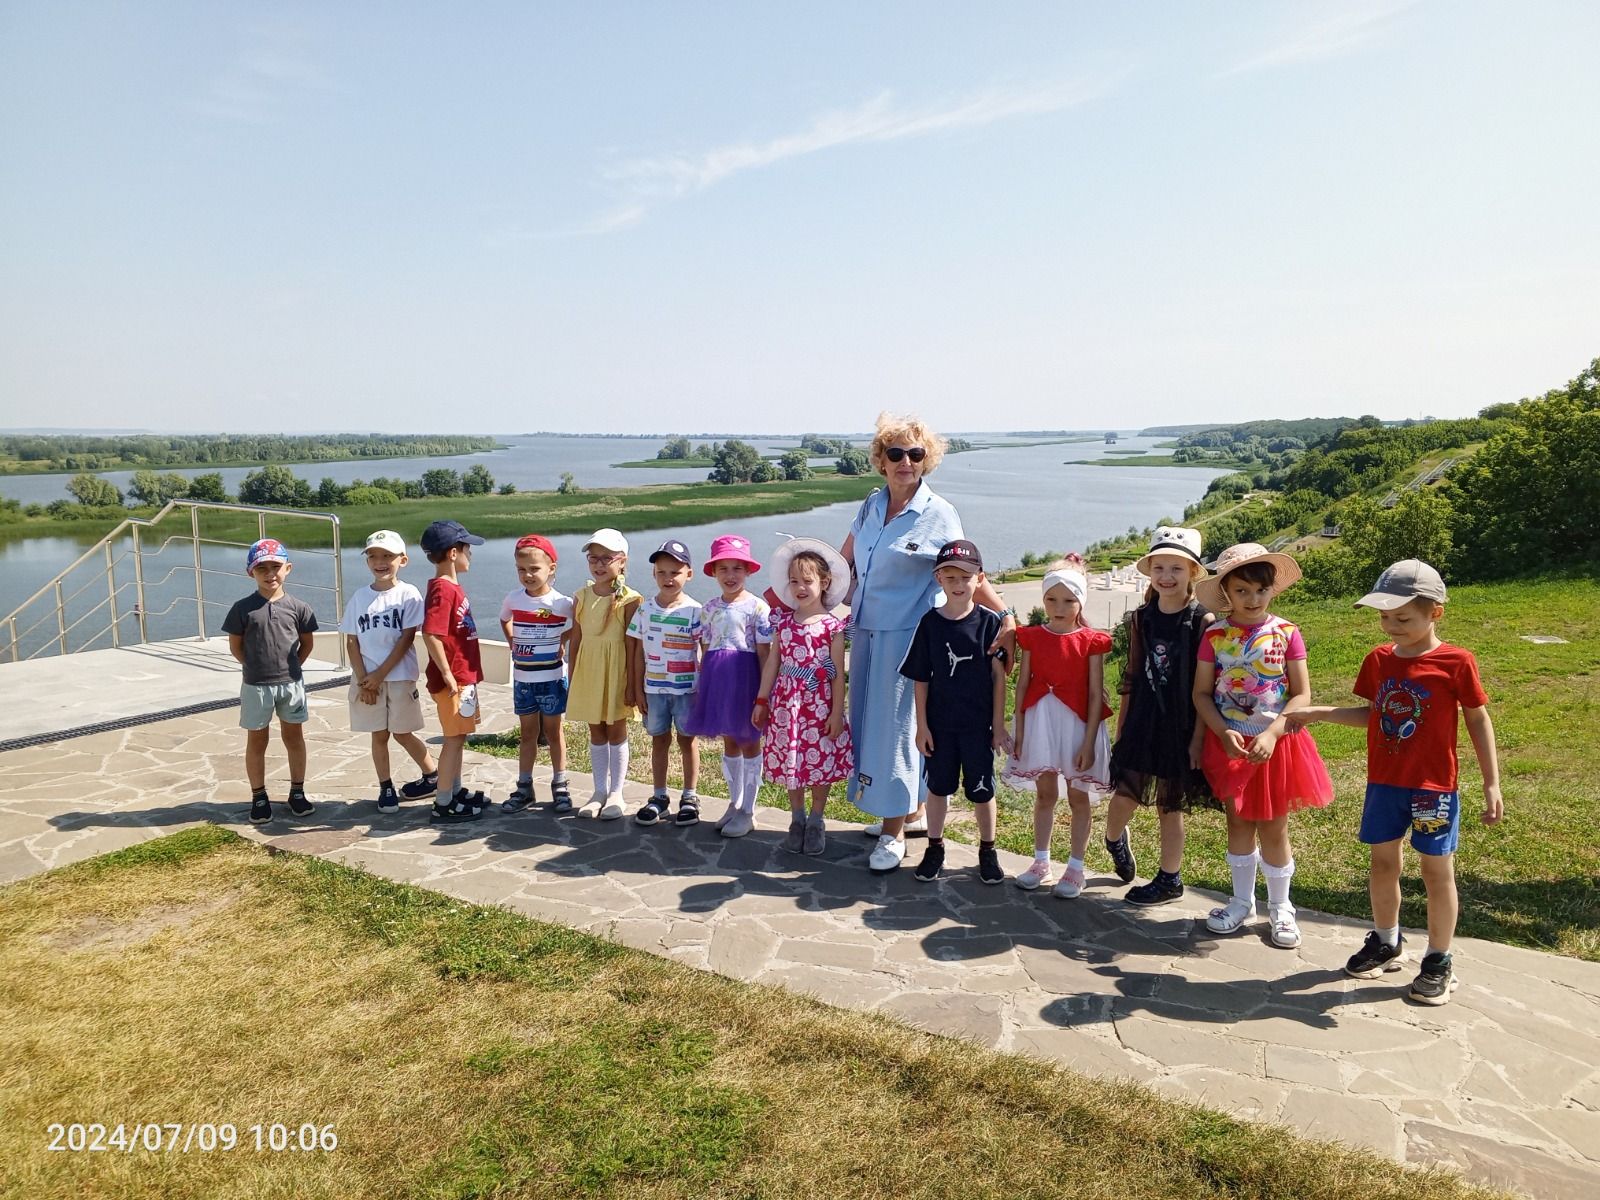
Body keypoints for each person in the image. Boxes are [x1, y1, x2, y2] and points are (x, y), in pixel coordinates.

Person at [1290, 560, 1502, 1005]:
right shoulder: (1379, 660)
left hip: (1433, 789)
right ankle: (1387, 941)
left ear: (1435, 613)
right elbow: (1373, 716)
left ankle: (1439, 958)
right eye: (1384, 617)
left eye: (1402, 618)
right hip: (1384, 784)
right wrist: (1317, 713)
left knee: (1435, 871)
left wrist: (1491, 783)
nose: (1391, 627)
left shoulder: (1456, 662)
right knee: (1383, 865)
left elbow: (1478, 720)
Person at [843, 412, 1016, 873]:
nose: (905, 462)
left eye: (915, 454)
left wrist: (1005, 616)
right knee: (867, 724)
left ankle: (893, 831)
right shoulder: (871, 505)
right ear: (881, 460)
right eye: (895, 453)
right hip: (865, 629)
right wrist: (806, 595)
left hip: (907, 635)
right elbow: (845, 562)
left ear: (927, 460)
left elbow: (968, 574)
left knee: (895, 732)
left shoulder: (939, 513)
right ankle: (913, 810)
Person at [1192, 543, 1334, 948]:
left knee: (1274, 826)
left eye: (1260, 590)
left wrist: (1272, 733)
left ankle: (1281, 907)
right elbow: (1201, 693)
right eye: (1241, 591)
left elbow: (1301, 694)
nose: (1252, 599)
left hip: (1277, 744)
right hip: (1230, 742)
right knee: (1237, 822)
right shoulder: (1215, 635)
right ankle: (1241, 902)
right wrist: (1221, 732)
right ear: (1226, 593)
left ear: (1272, 589)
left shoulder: (1287, 633)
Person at [1100, 527, 1215, 905]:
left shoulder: (1202, 620)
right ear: (1149, 571)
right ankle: (1114, 839)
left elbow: (1206, 687)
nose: (1166, 577)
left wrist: (1198, 737)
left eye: (1176, 569)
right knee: (1124, 797)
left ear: (1193, 573)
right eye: (1159, 567)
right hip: (1142, 723)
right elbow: (1132, 676)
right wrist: (1123, 729)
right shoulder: (1142, 618)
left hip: (1179, 726)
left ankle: (1170, 879)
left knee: (1170, 806)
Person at [899, 540, 1011, 883]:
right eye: (950, 578)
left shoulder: (991, 624)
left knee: (982, 790)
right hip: (941, 726)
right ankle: (935, 847)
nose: (959, 585)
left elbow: (999, 678)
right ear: (938, 580)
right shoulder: (930, 624)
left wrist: (998, 725)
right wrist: (922, 727)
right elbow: (920, 678)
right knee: (938, 788)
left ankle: (987, 850)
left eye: (965, 577)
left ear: (980, 578)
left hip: (977, 727)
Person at [1004, 558, 1113, 897]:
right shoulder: (1033, 637)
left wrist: (1090, 741)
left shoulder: (1091, 640)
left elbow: (1096, 693)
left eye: (1069, 600)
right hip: (1041, 723)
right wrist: (1021, 730)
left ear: (1081, 602)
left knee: (1079, 796)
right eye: (1052, 599)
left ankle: (1076, 867)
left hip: (1078, 725)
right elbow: (1022, 685)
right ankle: (1041, 861)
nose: (1059, 607)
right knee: (1045, 793)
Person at [753, 538, 853, 854]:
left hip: (818, 708)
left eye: (807, 581)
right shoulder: (782, 623)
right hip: (787, 708)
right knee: (792, 763)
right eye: (794, 581)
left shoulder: (832, 628)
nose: (799, 587)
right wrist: (761, 699)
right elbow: (773, 663)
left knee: (819, 763)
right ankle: (797, 818)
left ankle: (817, 819)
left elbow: (837, 675)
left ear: (824, 583)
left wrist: (837, 713)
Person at [340, 529, 438, 814]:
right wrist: (363, 681)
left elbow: (406, 638)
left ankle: (432, 774)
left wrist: (379, 675)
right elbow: (351, 639)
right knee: (378, 734)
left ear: (402, 560)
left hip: (397, 676)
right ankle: (386, 786)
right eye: (373, 556)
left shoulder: (408, 594)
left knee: (402, 732)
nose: (380, 562)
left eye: (387, 556)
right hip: (367, 680)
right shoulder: (360, 597)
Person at [682, 533, 772, 837]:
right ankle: (734, 803)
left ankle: (749, 809)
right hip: (719, 681)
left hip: (746, 681)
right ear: (713, 572)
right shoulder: (708, 609)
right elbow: (706, 649)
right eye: (724, 569)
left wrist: (763, 694)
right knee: (729, 741)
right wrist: (704, 685)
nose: (730, 575)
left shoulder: (758, 609)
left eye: (737, 568)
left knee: (748, 741)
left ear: (748, 571)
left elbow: (764, 653)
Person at [223, 538, 318, 824]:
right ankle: (259, 795)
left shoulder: (299, 607)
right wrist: (254, 668)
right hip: (255, 686)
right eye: (261, 568)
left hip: (291, 684)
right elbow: (236, 646)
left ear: (287, 568)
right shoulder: (242, 609)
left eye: (275, 566)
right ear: (250, 572)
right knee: (257, 740)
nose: (269, 573)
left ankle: (297, 792)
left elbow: (306, 644)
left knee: (294, 738)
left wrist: (292, 667)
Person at [566, 527, 642, 820]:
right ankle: (598, 790)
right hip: (589, 672)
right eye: (593, 558)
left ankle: (616, 793)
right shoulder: (581, 596)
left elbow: (633, 647)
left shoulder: (631, 599)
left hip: (616, 673)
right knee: (595, 731)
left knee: (616, 730)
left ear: (622, 561)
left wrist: (632, 685)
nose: (598, 565)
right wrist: (573, 678)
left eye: (606, 558)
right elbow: (576, 639)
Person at [627, 539, 704, 826]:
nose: (668, 579)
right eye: (662, 572)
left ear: (689, 574)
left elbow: (705, 652)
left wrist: (704, 691)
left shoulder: (696, 611)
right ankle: (659, 796)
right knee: (659, 741)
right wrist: (637, 689)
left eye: (675, 572)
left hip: (686, 690)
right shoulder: (645, 610)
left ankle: (690, 796)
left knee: (687, 740)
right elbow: (637, 654)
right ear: (654, 574)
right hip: (654, 690)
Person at [498, 534, 574, 814]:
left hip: (551, 678)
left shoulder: (562, 602)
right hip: (523, 679)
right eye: (521, 569)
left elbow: (578, 626)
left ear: (551, 568)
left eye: (534, 569)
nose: (528, 575)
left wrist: (562, 641)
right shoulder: (514, 599)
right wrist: (512, 643)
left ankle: (560, 784)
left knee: (554, 733)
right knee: (528, 734)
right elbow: (504, 618)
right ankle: (524, 786)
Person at [419, 519, 489, 822]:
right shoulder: (442, 590)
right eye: (466, 548)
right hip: (453, 680)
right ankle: (443, 801)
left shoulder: (451, 588)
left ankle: (455, 790)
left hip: (464, 676)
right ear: (451, 553)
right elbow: (430, 633)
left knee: (459, 735)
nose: (469, 553)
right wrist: (448, 674)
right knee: (453, 738)